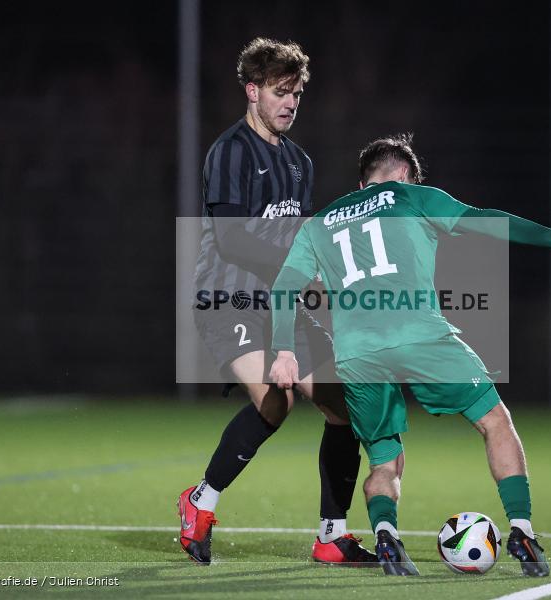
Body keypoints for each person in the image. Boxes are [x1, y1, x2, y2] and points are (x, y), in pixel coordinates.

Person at [269, 134, 551, 576]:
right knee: (495, 422)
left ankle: (386, 536)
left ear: (361, 183)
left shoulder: (320, 223)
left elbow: (284, 288)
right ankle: (522, 531)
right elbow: (486, 221)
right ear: (404, 174)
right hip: (421, 336)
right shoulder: (412, 196)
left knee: (385, 460)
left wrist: (284, 350)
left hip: (357, 354)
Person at [178, 38, 375, 567]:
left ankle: (332, 536)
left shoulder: (299, 162)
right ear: (252, 91)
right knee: (274, 400)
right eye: (279, 92)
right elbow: (232, 241)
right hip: (228, 298)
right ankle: (200, 502)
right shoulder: (230, 151)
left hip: (279, 301)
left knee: (343, 407)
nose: (289, 103)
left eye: (296, 94)